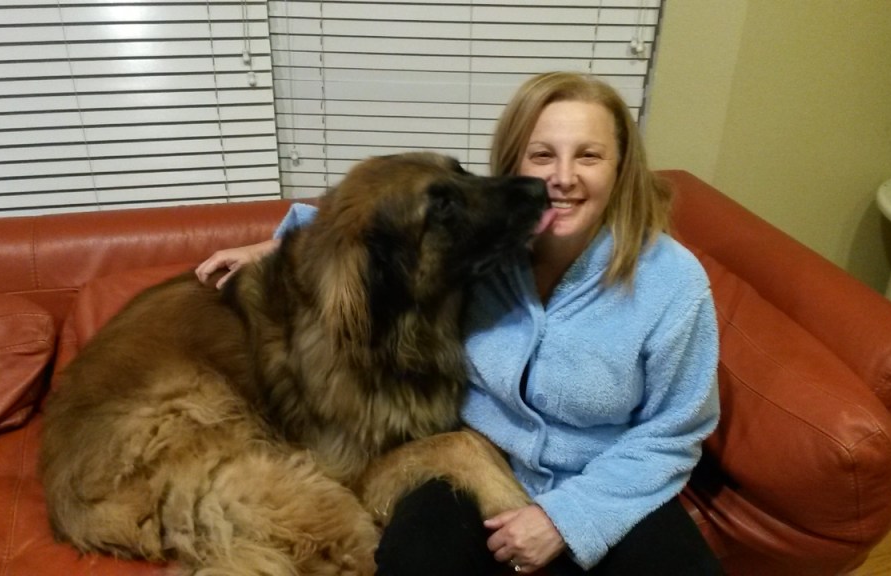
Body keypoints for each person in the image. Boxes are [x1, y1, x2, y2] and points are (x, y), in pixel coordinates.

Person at [196, 72, 722, 576]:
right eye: (542, 155)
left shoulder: (672, 281)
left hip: (605, 477)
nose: (563, 177)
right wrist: (269, 245)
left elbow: (674, 433)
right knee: (415, 560)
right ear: (514, 165)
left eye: (589, 155)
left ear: (621, 167)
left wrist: (568, 519)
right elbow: (369, 237)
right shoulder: (484, 248)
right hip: (472, 460)